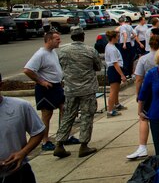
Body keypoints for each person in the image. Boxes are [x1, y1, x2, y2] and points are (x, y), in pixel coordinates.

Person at [53, 28, 102, 159]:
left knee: (68, 116)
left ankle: (59, 143)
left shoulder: (63, 51)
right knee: (86, 116)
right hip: (87, 89)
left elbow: (61, 65)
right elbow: (98, 67)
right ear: (83, 37)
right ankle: (84, 145)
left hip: (70, 89)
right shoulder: (90, 50)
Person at [0, 71, 45, 183]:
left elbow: (38, 132)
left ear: (0, 84)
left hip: (19, 173)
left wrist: (23, 152)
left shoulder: (20, 106)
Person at [23, 30, 65, 151]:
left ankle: (63, 136)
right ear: (49, 40)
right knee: (47, 114)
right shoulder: (40, 54)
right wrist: (41, 81)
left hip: (57, 87)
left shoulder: (52, 52)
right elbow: (27, 70)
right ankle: (45, 141)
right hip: (46, 89)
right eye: (57, 39)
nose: (59, 41)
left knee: (64, 109)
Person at [126, 35, 159, 160]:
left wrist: (138, 95)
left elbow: (138, 79)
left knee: (143, 117)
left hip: (149, 91)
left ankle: (142, 147)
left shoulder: (144, 59)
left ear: (149, 44)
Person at [104, 30, 127, 117]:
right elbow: (115, 63)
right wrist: (122, 75)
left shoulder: (110, 46)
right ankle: (110, 110)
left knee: (116, 89)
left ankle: (117, 104)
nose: (118, 38)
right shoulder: (112, 49)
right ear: (113, 38)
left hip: (114, 69)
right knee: (113, 90)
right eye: (117, 37)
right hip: (114, 69)